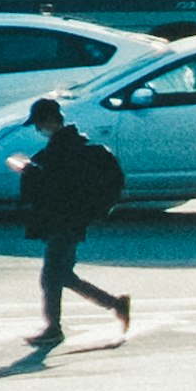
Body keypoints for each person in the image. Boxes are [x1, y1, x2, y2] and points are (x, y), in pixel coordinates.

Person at [13, 93, 132, 345]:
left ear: (49, 122)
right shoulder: (72, 146)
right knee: (63, 275)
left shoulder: (61, 151)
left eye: (39, 123)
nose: (38, 129)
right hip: (74, 220)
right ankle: (115, 303)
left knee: (51, 276)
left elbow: (53, 186)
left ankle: (53, 328)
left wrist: (29, 172)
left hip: (64, 220)